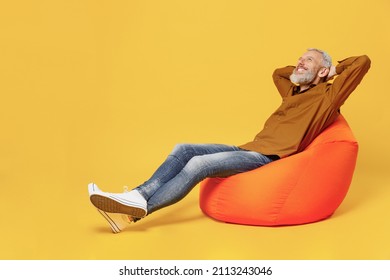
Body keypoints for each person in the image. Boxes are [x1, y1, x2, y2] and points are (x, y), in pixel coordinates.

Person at [88, 48, 371, 233]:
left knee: (199, 164)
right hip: (247, 148)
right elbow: (277, 73)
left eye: (308, 60)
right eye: (300, 57)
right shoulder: (292, 94)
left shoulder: (327, 97)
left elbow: (362, 63)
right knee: (183, 148)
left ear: (323, 71)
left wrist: (332, 71)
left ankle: (138, 210)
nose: (299, 62)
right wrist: (304, 70)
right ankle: (135, 197)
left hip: (266, 158)